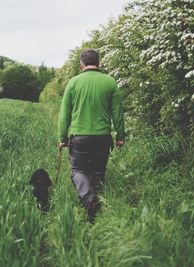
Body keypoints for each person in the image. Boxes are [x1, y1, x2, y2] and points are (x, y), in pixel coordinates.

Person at [58, 49, 125, 222]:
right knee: (97, 170)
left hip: (79, 136)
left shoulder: (73, 83)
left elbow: (64, 114)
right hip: (102, 137)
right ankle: (93, 204)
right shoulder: (110, 82)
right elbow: (118, 113)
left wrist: (62, 138)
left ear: (82, 64)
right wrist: (120, 136)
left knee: (78, 170)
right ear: (99, 63)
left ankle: (89, 199)